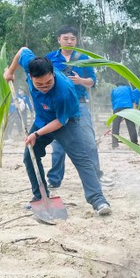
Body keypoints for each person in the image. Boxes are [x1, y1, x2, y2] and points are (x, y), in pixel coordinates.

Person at [3, 48, 112, 216]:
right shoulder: (31, 65)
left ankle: (98, 200)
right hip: (42, 119)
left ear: (53, 74)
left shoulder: (64, 91)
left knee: (81, 159)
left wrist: (36, 134)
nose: (44, 87)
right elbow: (23, 51)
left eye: (48, 83)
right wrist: (10, 72)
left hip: (66, 123)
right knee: (29, 156)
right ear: (30, 76)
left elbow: (61, 122)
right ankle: (41, 197)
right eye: (39, 85)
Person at [45, 26, 113, 188]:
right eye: (66, 38)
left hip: (80, 104)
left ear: (76, 40)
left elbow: (92, 81)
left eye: (73, 39)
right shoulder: (49, 59)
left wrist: (80, 81)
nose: (69, 41)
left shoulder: (83, 59)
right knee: (58, 145)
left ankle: (97, 174)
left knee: (89, 141)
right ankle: (54, 181)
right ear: (59, 40)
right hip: (58, 106)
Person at [111, 83, 138, 148]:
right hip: (128, 106)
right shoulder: (128, 88)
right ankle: (134, 143)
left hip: (117, 107)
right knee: (131, 126)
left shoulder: (114, 90)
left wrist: (116, 113)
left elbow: (113, 101)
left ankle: (114, 144)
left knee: (115, 126)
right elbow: (133, 98)